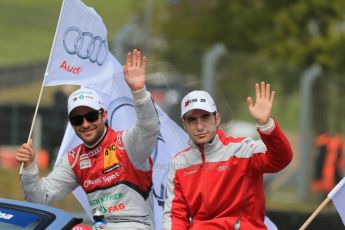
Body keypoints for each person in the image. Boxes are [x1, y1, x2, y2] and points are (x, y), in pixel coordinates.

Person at [15, 49, 160, 229]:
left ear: (104, 115)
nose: (85, 124)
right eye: (77, 119)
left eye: (91, 116)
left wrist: (139, 91)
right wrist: (29, 168)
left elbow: (149, 128)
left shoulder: (127, 142)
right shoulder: (73, 159)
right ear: (71, 123)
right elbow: (39, 200)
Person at [162, 82, 293, 229]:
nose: (199, 126)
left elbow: (281, 158)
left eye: (205, 118)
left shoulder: (243, 149)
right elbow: (176, 215)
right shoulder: (179, 163)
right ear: (185, 124)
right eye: (192, 120)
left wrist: (266, 124)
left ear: (217, 119)